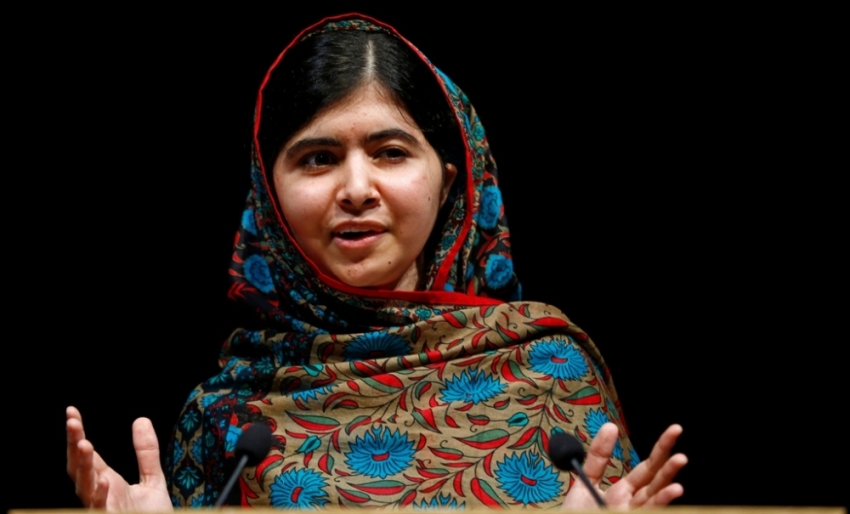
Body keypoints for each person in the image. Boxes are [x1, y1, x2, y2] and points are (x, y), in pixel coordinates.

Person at [66, 14, 686, 510]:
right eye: (317, 159)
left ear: (448, 183)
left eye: (390, 152)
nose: (356, 188)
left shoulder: (551, 366)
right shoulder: (228, 414)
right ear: (269, 195)